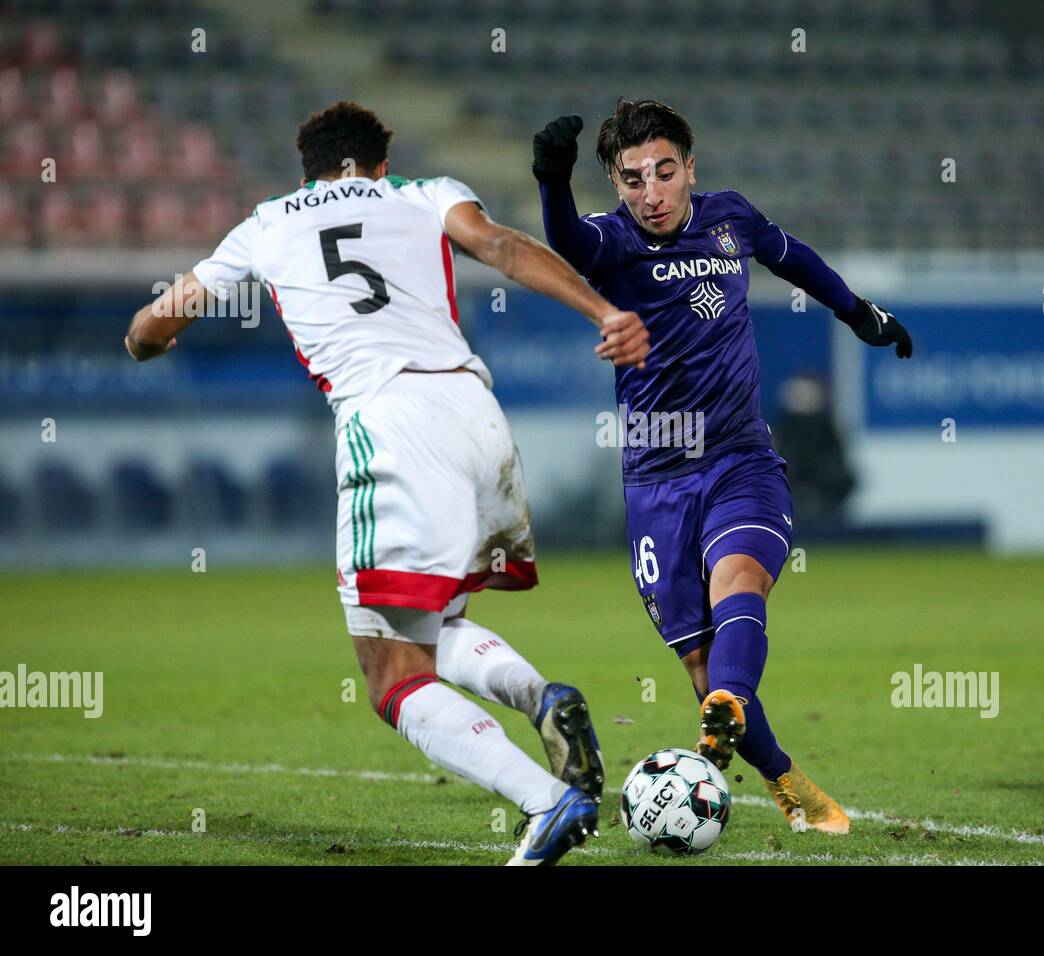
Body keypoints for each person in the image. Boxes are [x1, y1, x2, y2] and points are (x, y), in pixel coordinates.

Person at [124, 101, 650, 865]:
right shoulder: (424, 191)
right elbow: (501, 247)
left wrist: (141, 339)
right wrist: (606, 311)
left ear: (307, 169)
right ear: (378, 162)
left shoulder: (268, 222)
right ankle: (543, 698)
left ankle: (546, 801)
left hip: (388, 419)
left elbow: (157, 326)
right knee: (437, 623)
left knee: (389, 673)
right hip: (475, 412)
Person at [532, 99, 912, 833]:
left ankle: (732, 712)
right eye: (633, 179)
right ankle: (786, 777)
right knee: (706, 672)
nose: (652, 193)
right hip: (654, 483)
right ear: (615, 185)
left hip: (741, 459)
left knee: (740, 580)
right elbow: (568, 245)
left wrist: (856, 310)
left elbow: (790, 254)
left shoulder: (730, 218)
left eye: (665, 172)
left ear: (690, 169)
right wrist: (552, 181)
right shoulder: (611, 242)